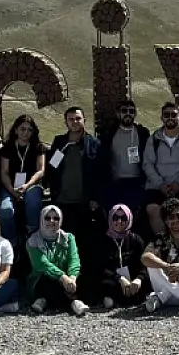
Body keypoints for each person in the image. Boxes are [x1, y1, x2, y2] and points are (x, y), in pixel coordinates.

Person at [47, 106, 108, 258]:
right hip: (62, 201)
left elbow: (102, 174)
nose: (75, 122)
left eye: (78, 118)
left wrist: (96, 198)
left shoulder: (94, 143)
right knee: (64, 242)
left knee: (84, 243)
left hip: (84, 202)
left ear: (84, 120)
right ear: (66, 122)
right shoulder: (59, 142)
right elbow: (52, 167)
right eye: (71, 119)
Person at [141, 103, 179, 239]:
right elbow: (147, 164)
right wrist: (160, 185)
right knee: (153, 209)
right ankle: (163, 242)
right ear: (162, 118)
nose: (170, 118)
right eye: (167, 115)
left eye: (174, 115)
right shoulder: (153, 139)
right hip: (158, 186)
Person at [26, 205, 90, 316]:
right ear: (41, 219)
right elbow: (41, 264)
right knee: (46, 282)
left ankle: (46, 302)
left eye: (56, 218)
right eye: (47, 218)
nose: (52, 221)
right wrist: (62, 277)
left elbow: (74, 260)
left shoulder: (69, 238)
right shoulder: (32, 241)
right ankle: (73, 302)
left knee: (85, 278)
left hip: (67, 279)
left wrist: (72, 278)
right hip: (43, 279)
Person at [0, 114, 48, 238]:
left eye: (29, 130)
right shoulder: (7, 148)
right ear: (16, 130)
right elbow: (4, 172)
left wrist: (27, 185)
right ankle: (11, 241)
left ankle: (33, 234)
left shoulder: (38, 147)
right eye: (22, 129)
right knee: (5, 210)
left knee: (33, 202)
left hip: (32, 185)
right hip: (10, 186)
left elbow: (41, 170)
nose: (26, 132)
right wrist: (12, 191)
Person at [102, 99, 152, 217]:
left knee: (133, 216)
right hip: (115, 182)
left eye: (131, 111)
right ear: (118, 114)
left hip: (135, 182)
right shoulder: (109, 133)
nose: (128, 114)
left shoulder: (142, 132)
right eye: (124, 111)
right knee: (115, 217)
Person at [95, 204, 148, 308]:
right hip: (114, 281)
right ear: (110, 218)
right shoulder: (102, 241)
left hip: (133, 282)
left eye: (123, 218)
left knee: (148, 281)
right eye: (115, 218)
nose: (119, 222)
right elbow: (99, 267)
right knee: (104, 284)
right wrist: (120, 278)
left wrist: (139, 279)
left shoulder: (136, 240)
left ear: (129, 219)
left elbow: (144, 265)